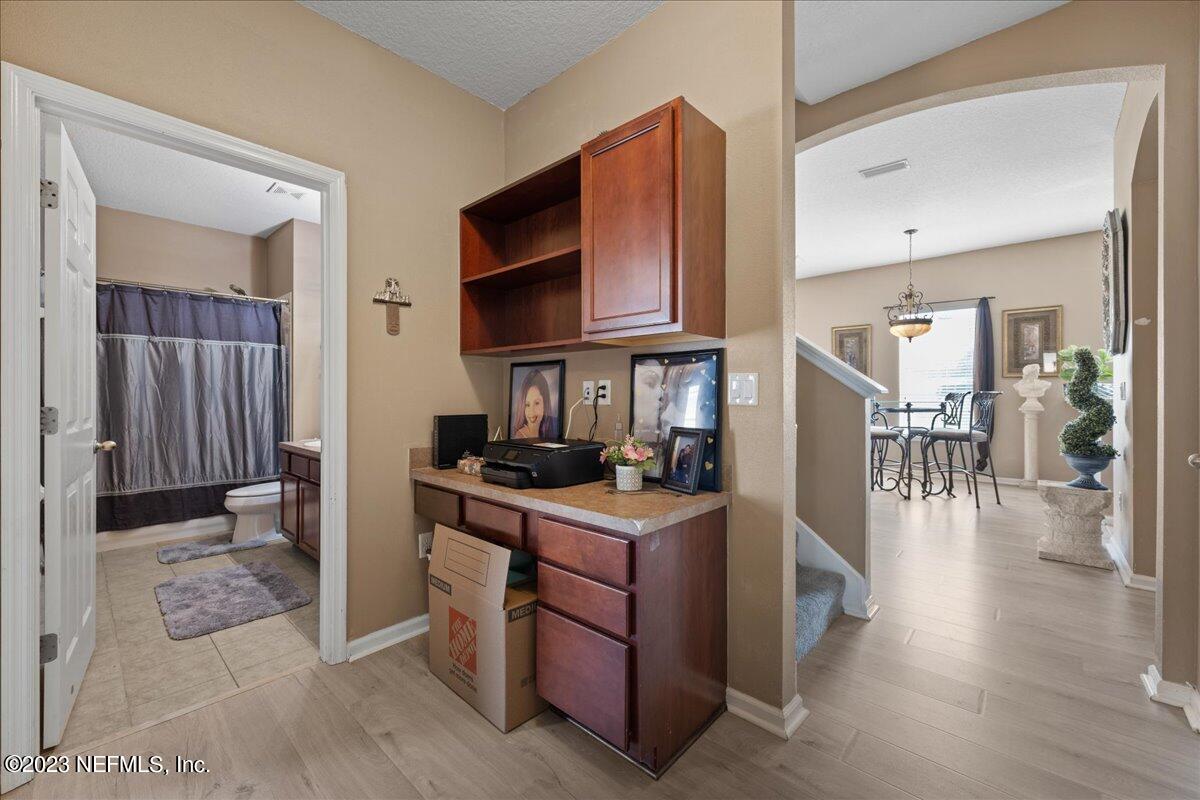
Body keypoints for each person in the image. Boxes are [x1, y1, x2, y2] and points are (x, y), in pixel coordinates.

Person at [512, 368, 558, 439]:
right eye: (527, 405)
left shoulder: (552, 429)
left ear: (545, 404)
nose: (531, 411)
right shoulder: (520, 436)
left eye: (536, 403)